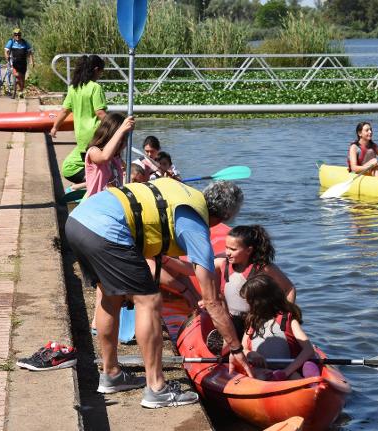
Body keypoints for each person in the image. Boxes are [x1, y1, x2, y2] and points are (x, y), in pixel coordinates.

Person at [65, 178, 252, 408]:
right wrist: (235, 348)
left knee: (109, 296)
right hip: (106, 228)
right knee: (150, 301)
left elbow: (158, 259)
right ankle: (156, 389)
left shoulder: (184, 194)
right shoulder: (195, 226)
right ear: (223, 218)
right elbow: (212, 301)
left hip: (78, 220)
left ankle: (111, 374)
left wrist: (188, 292)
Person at [82, 113, 134, 335]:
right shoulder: (95, 152)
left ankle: (99, 321)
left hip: (110, 219)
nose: (122, 145)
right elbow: (102, 157)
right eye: (120, 140)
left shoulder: (115, 161)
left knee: (107, 278)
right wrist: (122, 129)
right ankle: (97, 322)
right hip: (94, 219)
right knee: (104, 278)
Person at [241, 274, 318, 381]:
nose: (247, 305)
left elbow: (308, 349)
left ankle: (310, 377)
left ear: (260, 301)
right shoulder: (253, 321)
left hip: (287, 370)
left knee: (295, 377)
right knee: (260, 376)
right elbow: (243, 348)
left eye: (249, 301)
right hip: (263, 371)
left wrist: (286, 372)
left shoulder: (288, 319)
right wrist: (251, 353)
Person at [50, 55, 107, 191]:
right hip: (96, 135)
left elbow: (64, 111)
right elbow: (100, 113)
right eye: (101, 72)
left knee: (90, 166)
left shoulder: (73, 88)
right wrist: (117, 127)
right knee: (102, 167)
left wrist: (55, 127)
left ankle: (86, 187)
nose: (100, 75)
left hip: (82, 136)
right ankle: (92, 189)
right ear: (96, 69)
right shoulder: (95, 87)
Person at [4, 28, 34, 98]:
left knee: (22, 79)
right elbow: (6, 51)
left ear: (21, 35)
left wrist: (32, 61)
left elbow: (30, 52)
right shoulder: (11, 41)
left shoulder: (25, 42)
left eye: (19, 35)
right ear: (13, 35)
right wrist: (7, 56)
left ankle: (20, 92)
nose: (17, 36)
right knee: (17, 75)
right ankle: (16, 87)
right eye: (16, 35)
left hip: (23, 62)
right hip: (14, 62)